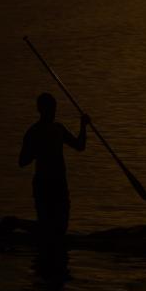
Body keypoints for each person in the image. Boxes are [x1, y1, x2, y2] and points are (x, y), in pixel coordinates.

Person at [19, 92, 89, 248]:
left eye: (54, 109)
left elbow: (79, 146)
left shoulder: (59, 129)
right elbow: (22, 161)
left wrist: (83, 126)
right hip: (43, 184)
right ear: (41, 110)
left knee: (60, 228)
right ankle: (13, 223)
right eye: (49, 109)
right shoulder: (34, 132)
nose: (52, 112)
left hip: (60, 184)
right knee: (47, 228)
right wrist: (37, 150)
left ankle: (24, 227)